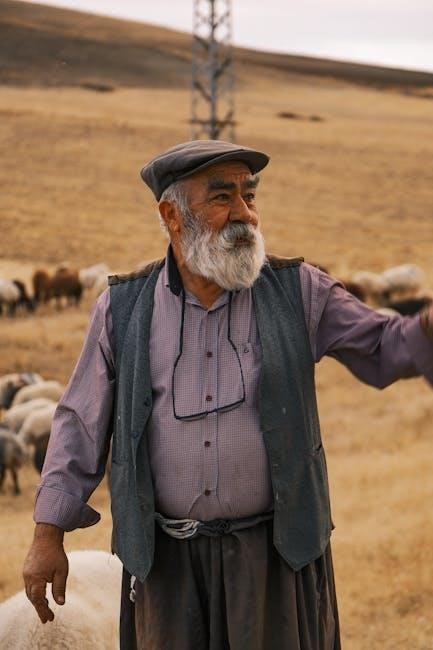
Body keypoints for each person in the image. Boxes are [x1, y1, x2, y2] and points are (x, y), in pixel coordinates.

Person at [23, 139, 433, 650]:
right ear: (172, 215)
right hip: (165, 568)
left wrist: (427, 328)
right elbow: (79, 425)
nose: (245, 214)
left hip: (276, 561)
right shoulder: (123, 309)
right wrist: (48, 534)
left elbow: (384, 346)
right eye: (222, 197)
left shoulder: (299, 290)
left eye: (250, 196)